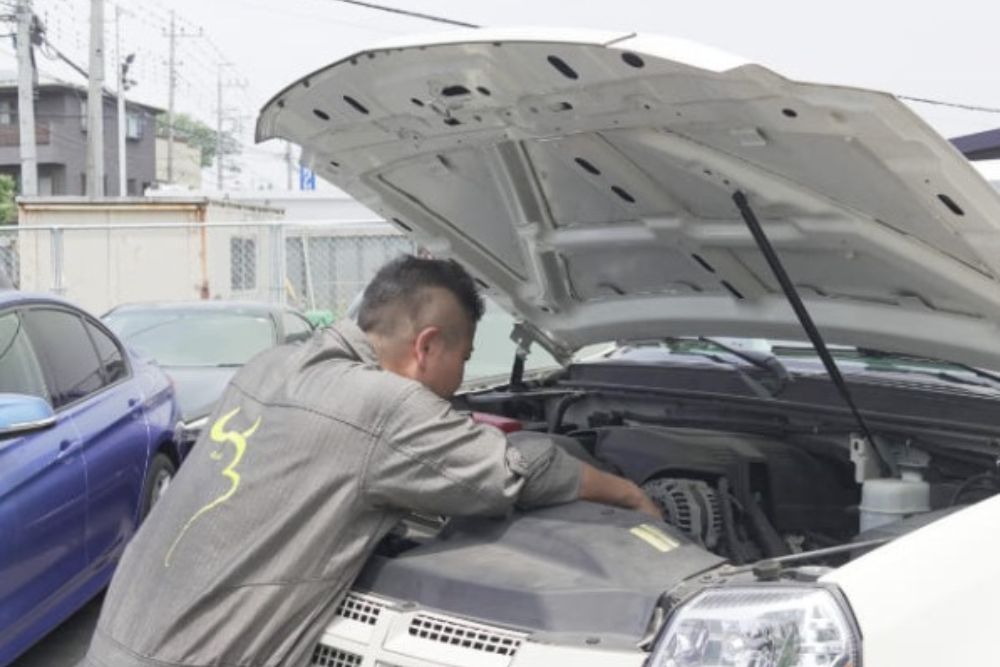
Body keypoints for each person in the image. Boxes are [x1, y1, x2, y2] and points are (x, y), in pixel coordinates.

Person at [79, 255, 660, 667]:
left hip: (115, 642)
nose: (462, 379)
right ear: (427, 346)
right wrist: (628, 493)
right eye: (463, 358)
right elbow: (515, 471)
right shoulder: (384, 407)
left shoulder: (271, 364)